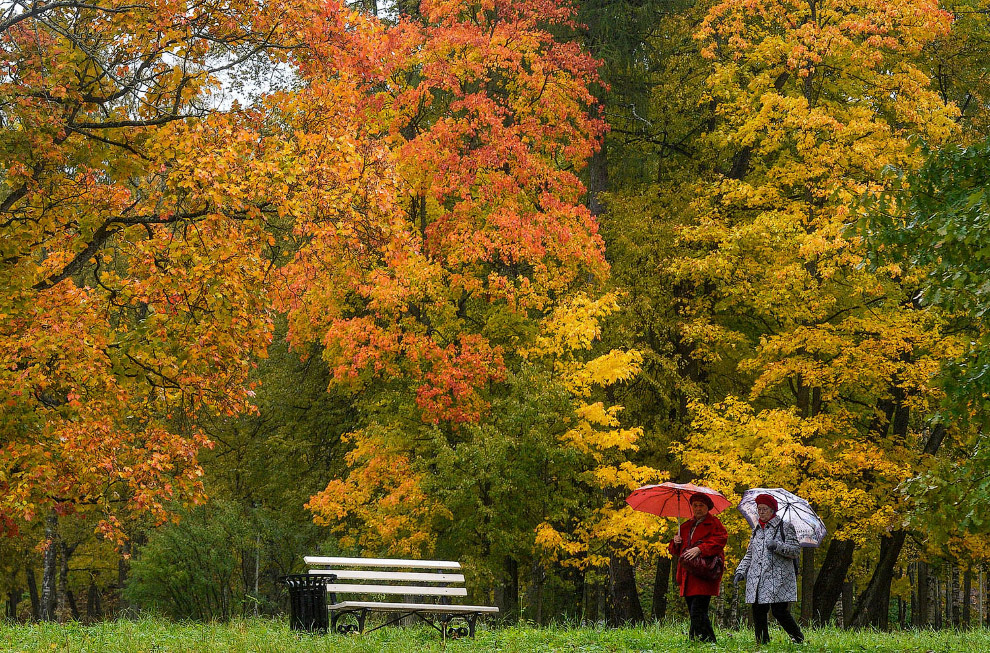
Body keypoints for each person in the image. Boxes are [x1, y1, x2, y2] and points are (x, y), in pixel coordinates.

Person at [733, 493, 805, 645]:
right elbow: (750, 554)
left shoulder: (785, 527)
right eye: (759, 509)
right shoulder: (756, 530)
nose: (761, 512)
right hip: (758, 578)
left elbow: (795, 551)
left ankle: (798, 638)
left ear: (773, 510)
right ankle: (762, 642)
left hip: (778, 578)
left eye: (765, 509)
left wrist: (777, 546)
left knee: (779, 611)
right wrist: (740, 571)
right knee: (758, 610)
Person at [667, 492, 728, 643]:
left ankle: (707, 641)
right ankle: (696, 640)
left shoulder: (714, 524)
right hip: (688, 575)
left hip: (704, 574)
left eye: (701, 505)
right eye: (695, 505)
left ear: (707, 507)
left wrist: (701, 548)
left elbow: (721, 540)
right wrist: (675, 541)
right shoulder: (686, 525)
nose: (698, 508)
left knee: (698, 610)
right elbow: (674, 551)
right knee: (694, 611)